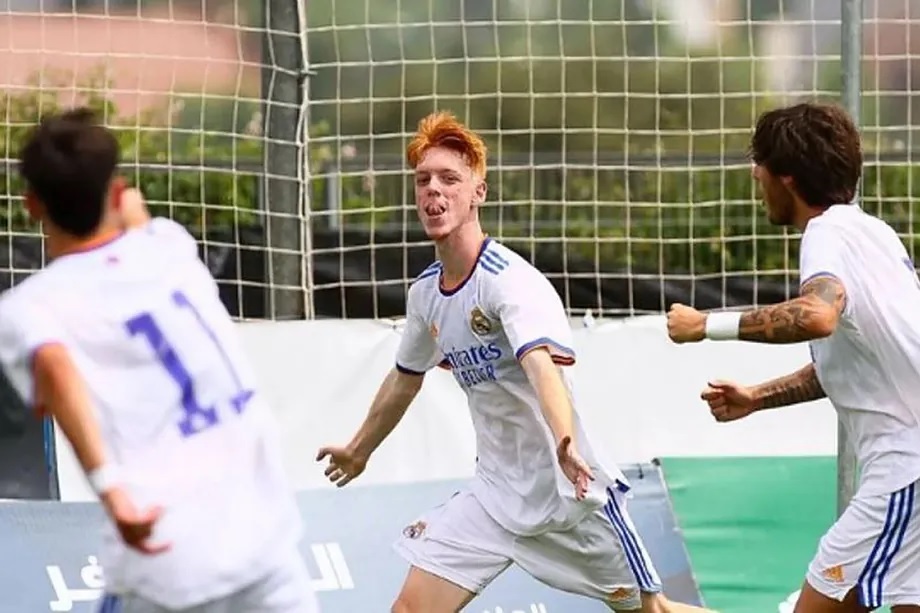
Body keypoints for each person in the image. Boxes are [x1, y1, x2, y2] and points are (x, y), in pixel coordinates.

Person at [317, 110, 715, 613]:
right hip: (495, 498)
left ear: (478, 193)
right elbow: (404, 380)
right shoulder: (426, 294)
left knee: (650, 612)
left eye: (449, 179)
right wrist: (358, 449)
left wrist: (566, 442)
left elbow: (540, 366)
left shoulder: (508, 281)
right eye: (423, 181)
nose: (432, 191)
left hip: (569, 495)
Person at [0, 107, 319, 613]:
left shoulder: (30, 308)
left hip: (167, 561)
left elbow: (57, 371)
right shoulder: (168, 245)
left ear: (31, 204)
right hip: (264, 542)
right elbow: (134, 212)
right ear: (117, 190)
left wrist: (111, 490)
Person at [666, 102, 920, 613]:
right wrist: (757, 397)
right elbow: (857, 358)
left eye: (760, 170)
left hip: (905, 469)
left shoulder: (825, 234)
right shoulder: (875, 234)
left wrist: (705, 326)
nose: (756, 179)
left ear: (787, 177)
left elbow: (817, 315)